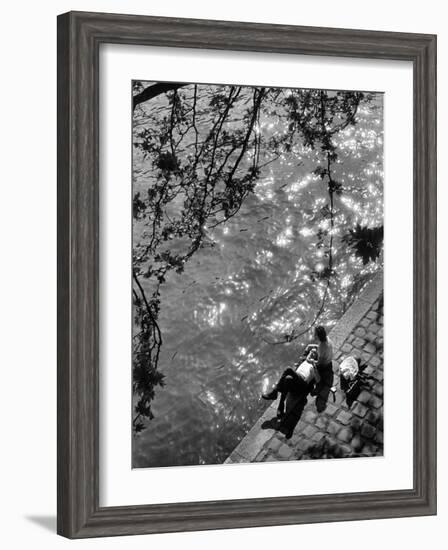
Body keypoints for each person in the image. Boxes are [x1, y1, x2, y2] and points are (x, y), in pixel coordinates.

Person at [262, 325, 334, 417]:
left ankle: (275, 392)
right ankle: (280, 405)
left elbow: (318, 379)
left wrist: (310, 361)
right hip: (297, 379)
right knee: (288, 378)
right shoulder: (323, 343)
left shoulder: (315, 366)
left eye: (314, 334)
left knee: (288, 370)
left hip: (302, 383)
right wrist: (310, 353)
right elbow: (315, 352)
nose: (312, 353)